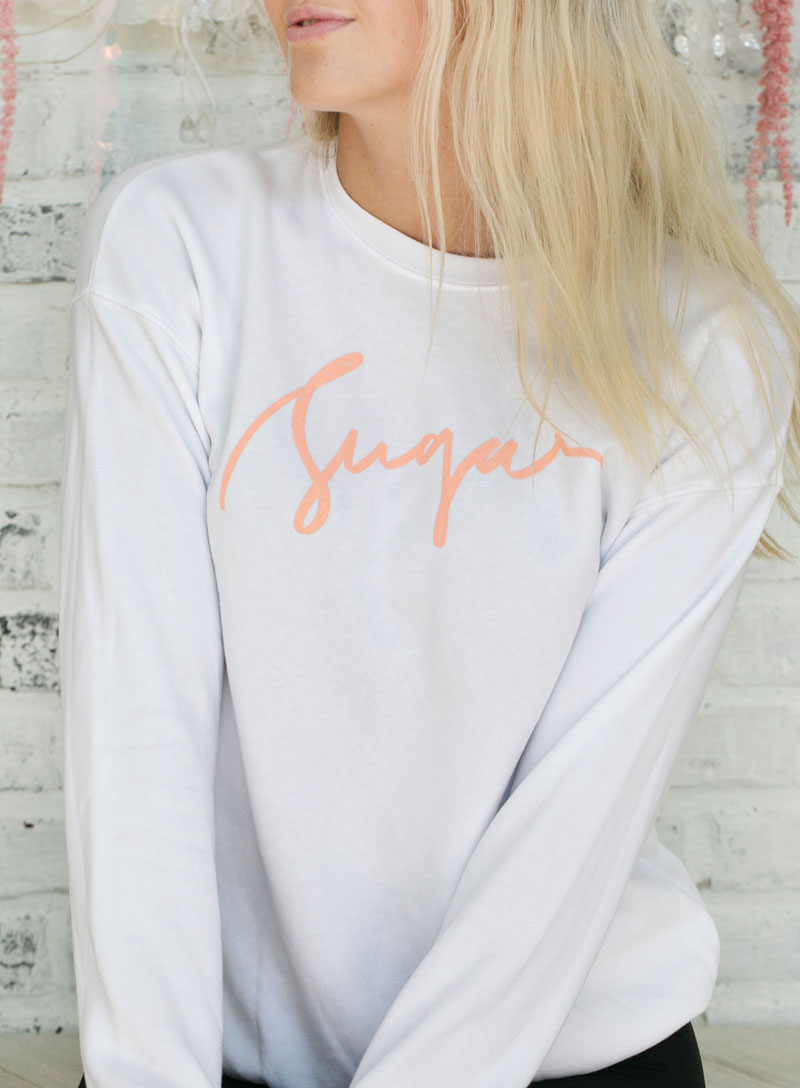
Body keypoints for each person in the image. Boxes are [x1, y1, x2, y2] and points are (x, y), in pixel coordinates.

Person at [61, 2, 800, 1087]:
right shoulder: (179, 251)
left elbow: (570, 829)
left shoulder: (700, 347)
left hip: (564, 1055)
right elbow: (136, 733)